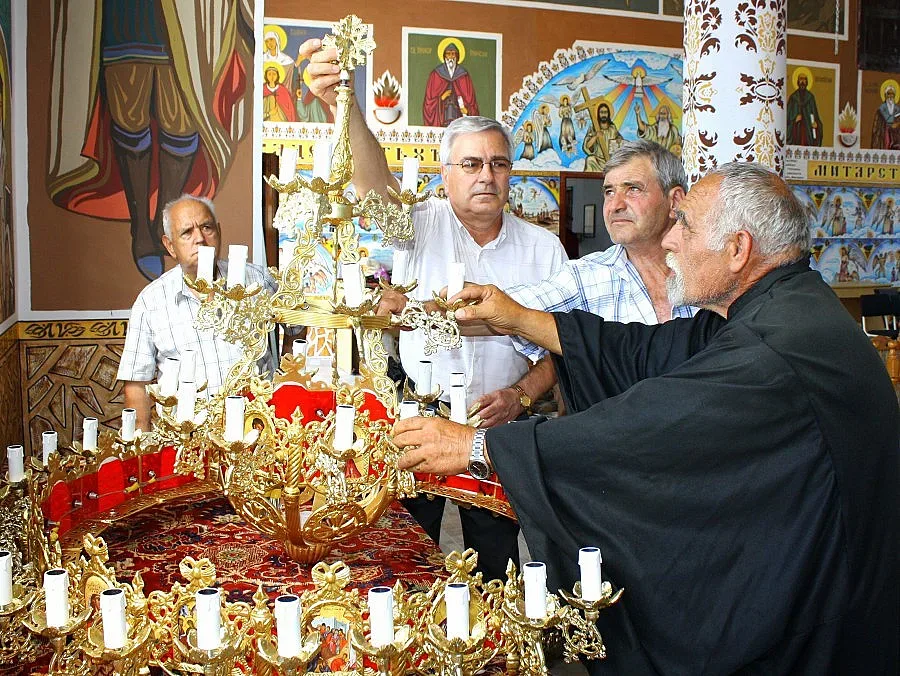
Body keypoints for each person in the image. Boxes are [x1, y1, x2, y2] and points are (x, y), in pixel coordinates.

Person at [393, 162, 899, 674]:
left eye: (686, 225)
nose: (671, 241)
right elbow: (643, 350)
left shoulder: (771, 350)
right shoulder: (780, 305)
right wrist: (518, 318)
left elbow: (643, 429)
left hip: (829, 614)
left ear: (738, 249)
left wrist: (480, 447)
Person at [302, 38, 567, 583]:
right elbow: (372, 181)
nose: (485, 176)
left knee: (496, 563)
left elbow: (566, 345)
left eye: (497, 163)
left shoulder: (546, 251)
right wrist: (345, 105)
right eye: (470, 163)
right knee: (404, 556)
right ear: (444, 172)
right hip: (414, 422)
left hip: (494, 432)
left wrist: (522, 396)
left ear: (511, 173)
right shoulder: (417, 225)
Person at [500, 140, 697, 421]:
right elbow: (507, 308)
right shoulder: (586, 277)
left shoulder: (711, 273)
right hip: (617, 454)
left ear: (674, 201)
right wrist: (430, 309)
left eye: (633, 189)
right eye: (608, 191)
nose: (615, 205)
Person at [117, 194, 277, 432]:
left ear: (219, 232)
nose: (200, 239)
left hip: (258, 430)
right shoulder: (151, 302)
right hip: (190, 439)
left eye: (206, 227)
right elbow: (136, 384)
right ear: (170, 246)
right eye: (187, 233)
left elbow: (295, 325)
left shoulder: (257, 280)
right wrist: (144, 450)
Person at [423, 42, 479, 127]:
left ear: (457, 56)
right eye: (448, 54)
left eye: (453, 54)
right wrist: (441, 98)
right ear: (444, 56)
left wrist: (467, 110)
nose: (451, 57)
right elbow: (429, 102)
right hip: (442, 117)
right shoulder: (436, 74)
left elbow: (471, 100)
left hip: (458, 116)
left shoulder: (463, 75)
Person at [583, 103, 623, 171]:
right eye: (601, 112)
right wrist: (596, 136)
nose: (604, 114)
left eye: (606, 112)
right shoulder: (593, 128)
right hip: (598, 160)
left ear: (608, 114)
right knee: (590, 160)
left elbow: (620, 140)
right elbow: (587, 146)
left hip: (611, 161)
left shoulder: (612, 128)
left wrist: (619, 140)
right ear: (598, 114)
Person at [787, 73, 823, 146]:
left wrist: (817, 125)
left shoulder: (810, 98)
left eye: (804, 79)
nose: (802, 81)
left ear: (807, 82)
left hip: (808, 135)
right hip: (796, 135)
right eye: (801, 79)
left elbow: (816, 117)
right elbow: (786, 119)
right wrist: (794, 120)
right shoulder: (793, 98)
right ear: (797, 81)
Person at [871, 84, 900, 150]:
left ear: (894, 95)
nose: (890, 96)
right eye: (888, 94)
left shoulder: (897, 109)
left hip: (895, 133)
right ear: (885, 95)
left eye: (892, 94)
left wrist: (897, 124)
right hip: (884, 131)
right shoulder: (881, 108)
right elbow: (877, 124)